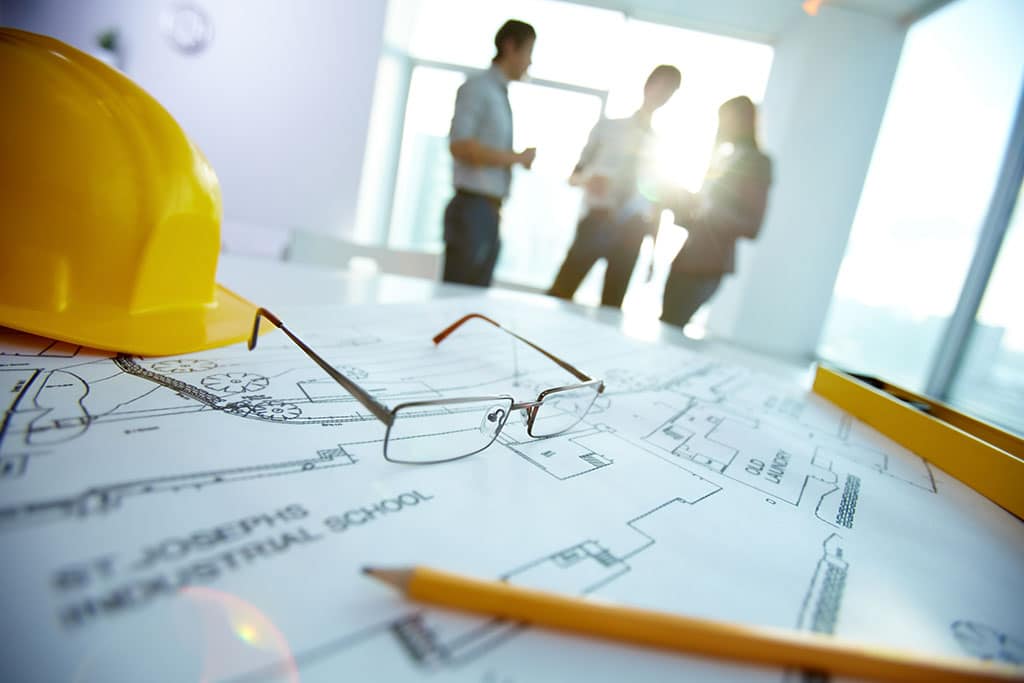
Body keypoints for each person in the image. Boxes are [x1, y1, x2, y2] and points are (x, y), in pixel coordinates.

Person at [547, 65, 682, 308]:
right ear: (647, 85)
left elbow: (657, 202)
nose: (662, 95)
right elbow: (574, 176)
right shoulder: (608, 128)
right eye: (661, 86)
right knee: (560, 293)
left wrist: (653, 251)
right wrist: (589, 179)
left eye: (670, 92)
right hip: (597, 220)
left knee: (611, 308)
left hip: (633, 230)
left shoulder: (663, 146)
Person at [660, 95, 772, 328]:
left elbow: (752, 227)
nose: (722, 126)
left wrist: (708, 209)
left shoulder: (758, 162)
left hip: (709, 264)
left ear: (744, 122)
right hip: (685, 258)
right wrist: (681, 204)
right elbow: (698, 216)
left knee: (672, 327)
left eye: (728, 120)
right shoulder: (720, 158)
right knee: (665, 324)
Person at [442, 19, 537, 287]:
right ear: (510, 47)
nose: (530, 62)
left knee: (474, 299)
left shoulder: (499, 94)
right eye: (528, 52)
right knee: (457, 299)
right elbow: (460, 146)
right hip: (472, 208)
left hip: (489, 210)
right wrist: (516, 158)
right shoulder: (478, 89)